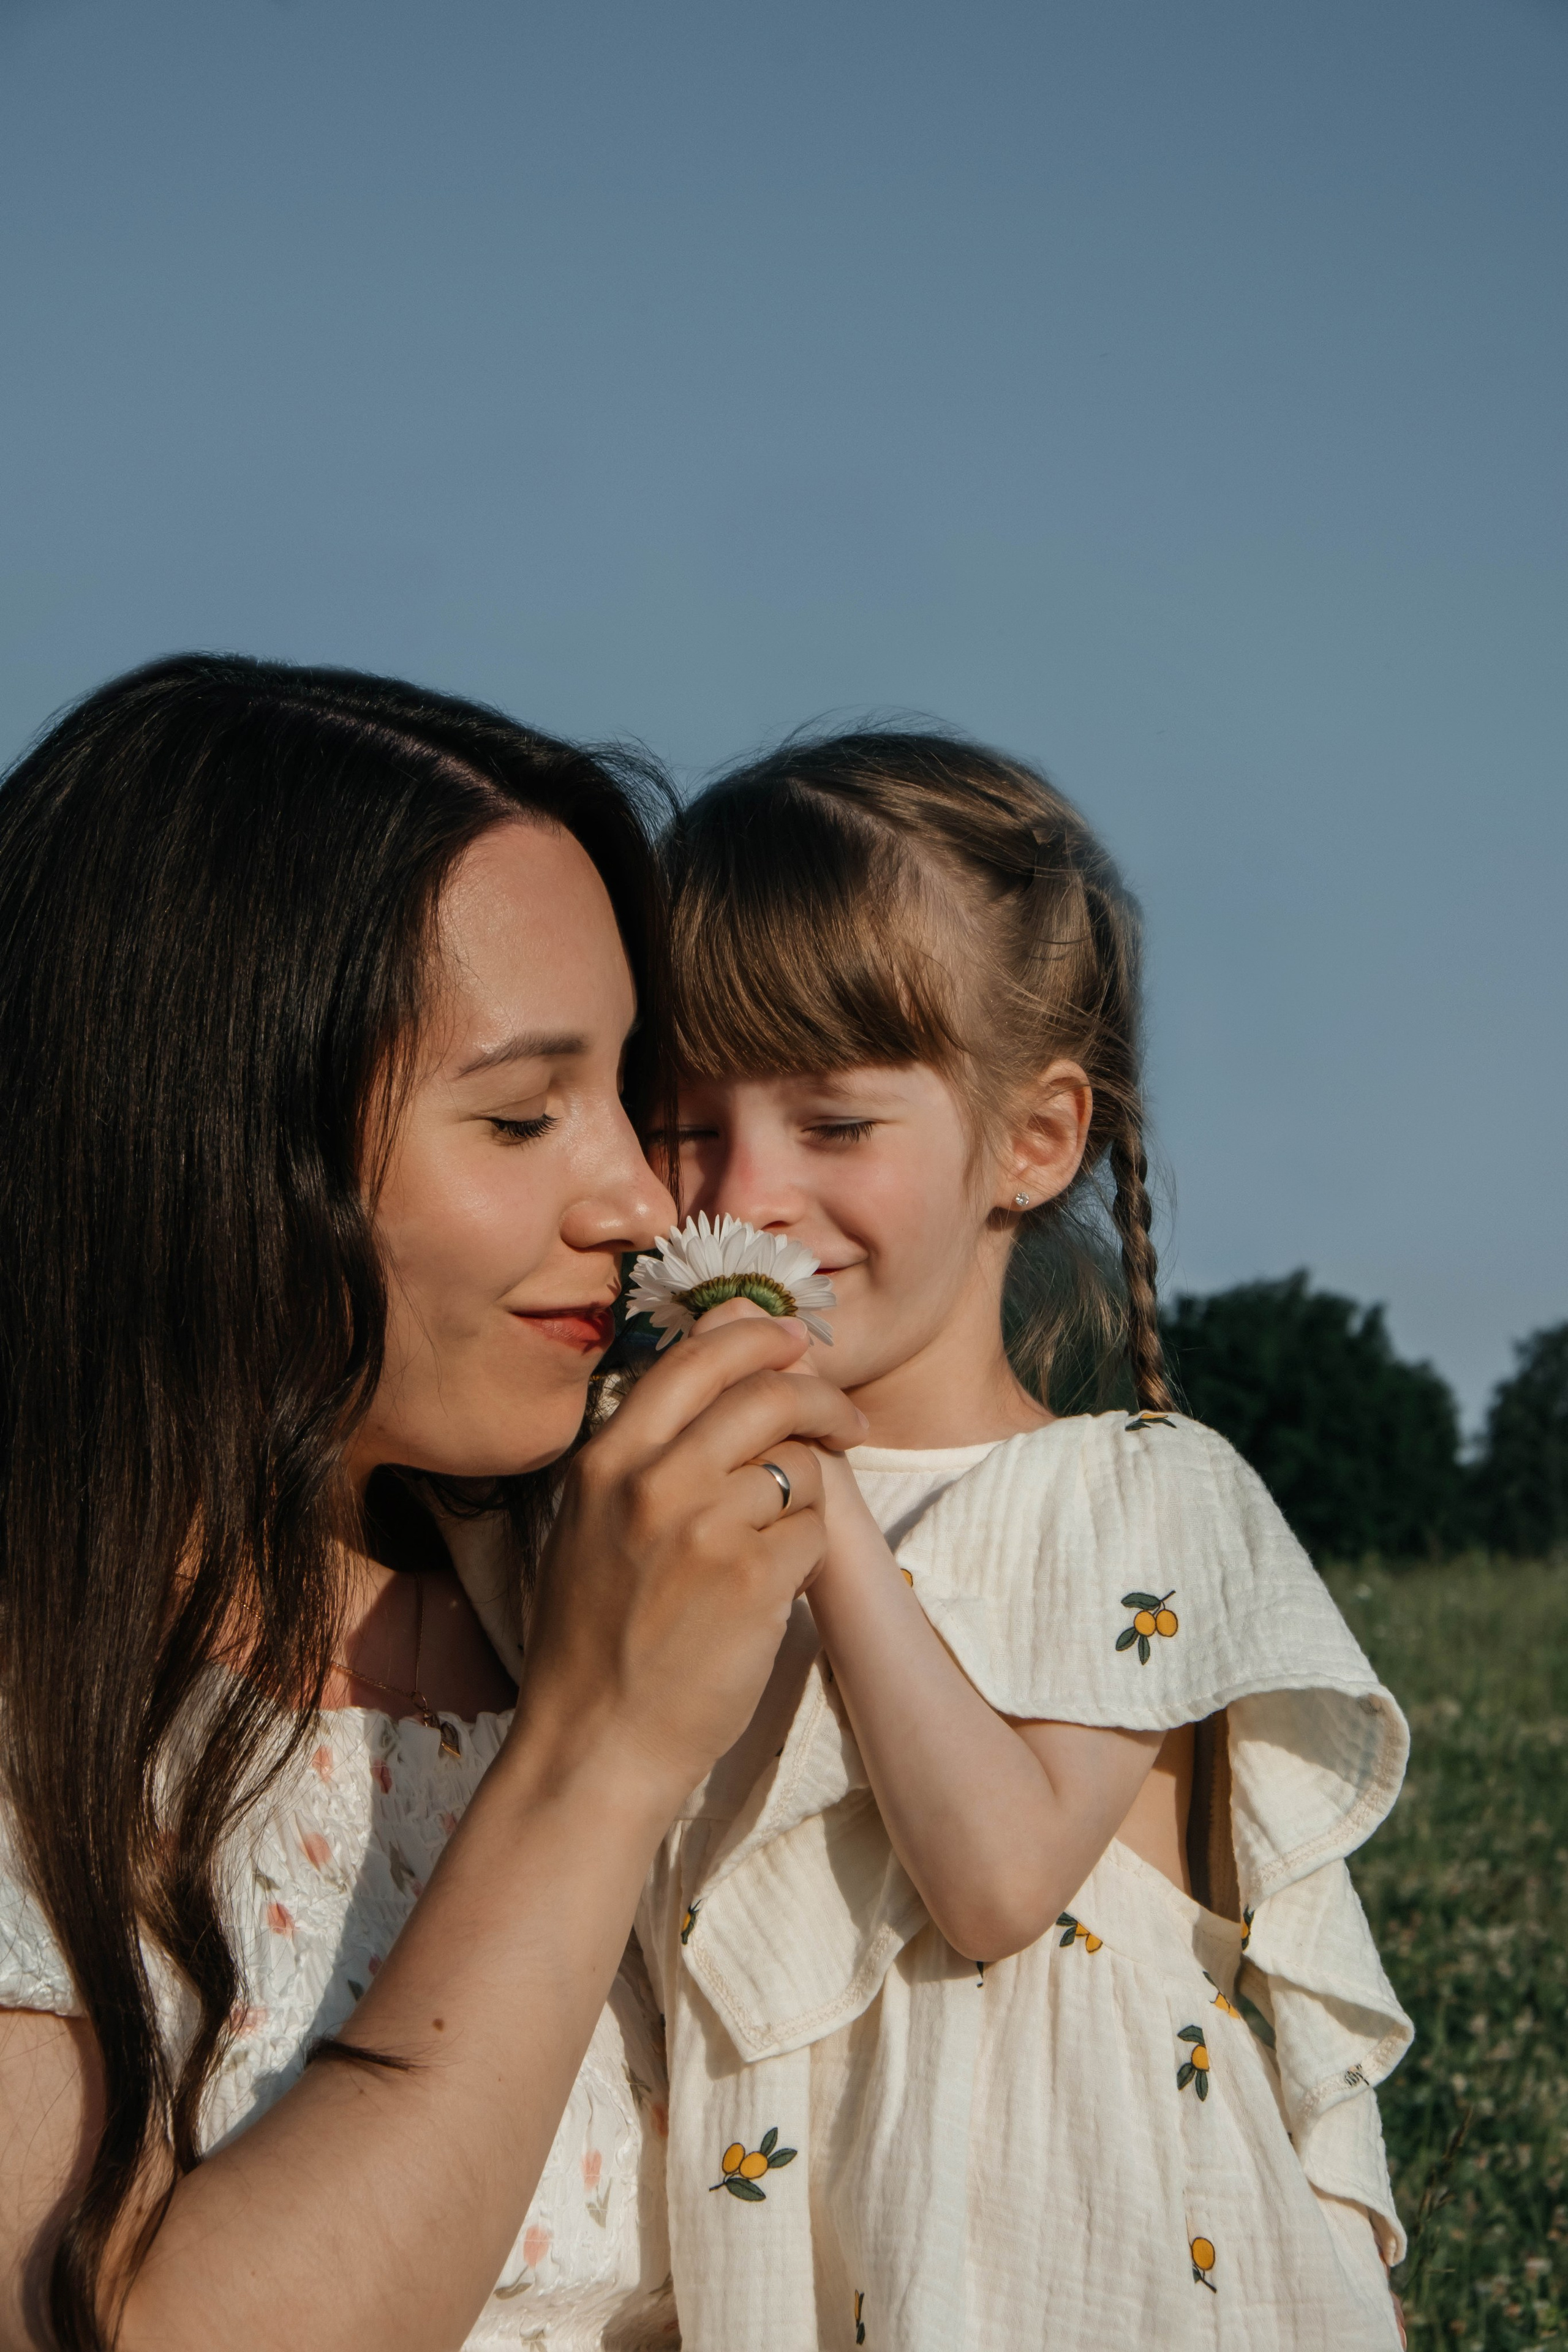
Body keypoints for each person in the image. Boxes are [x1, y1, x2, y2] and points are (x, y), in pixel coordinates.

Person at [0, 657, 862, 2352]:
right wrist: (601, 1760)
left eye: (631, 1097)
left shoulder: (569, 1588)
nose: (636, 1194)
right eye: (524, 1114)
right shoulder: (46, 1722)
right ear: (206, 1145)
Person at [639, 731, 1412, 2350]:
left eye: (834, 1125)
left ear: (1037, 1141)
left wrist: (827, 1504)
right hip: (789, 2232)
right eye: (686, 1122)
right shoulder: (669, 1495)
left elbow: (994, 1881)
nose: (745, 1191)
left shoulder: (1136, 1489)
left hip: (1077, 2260)